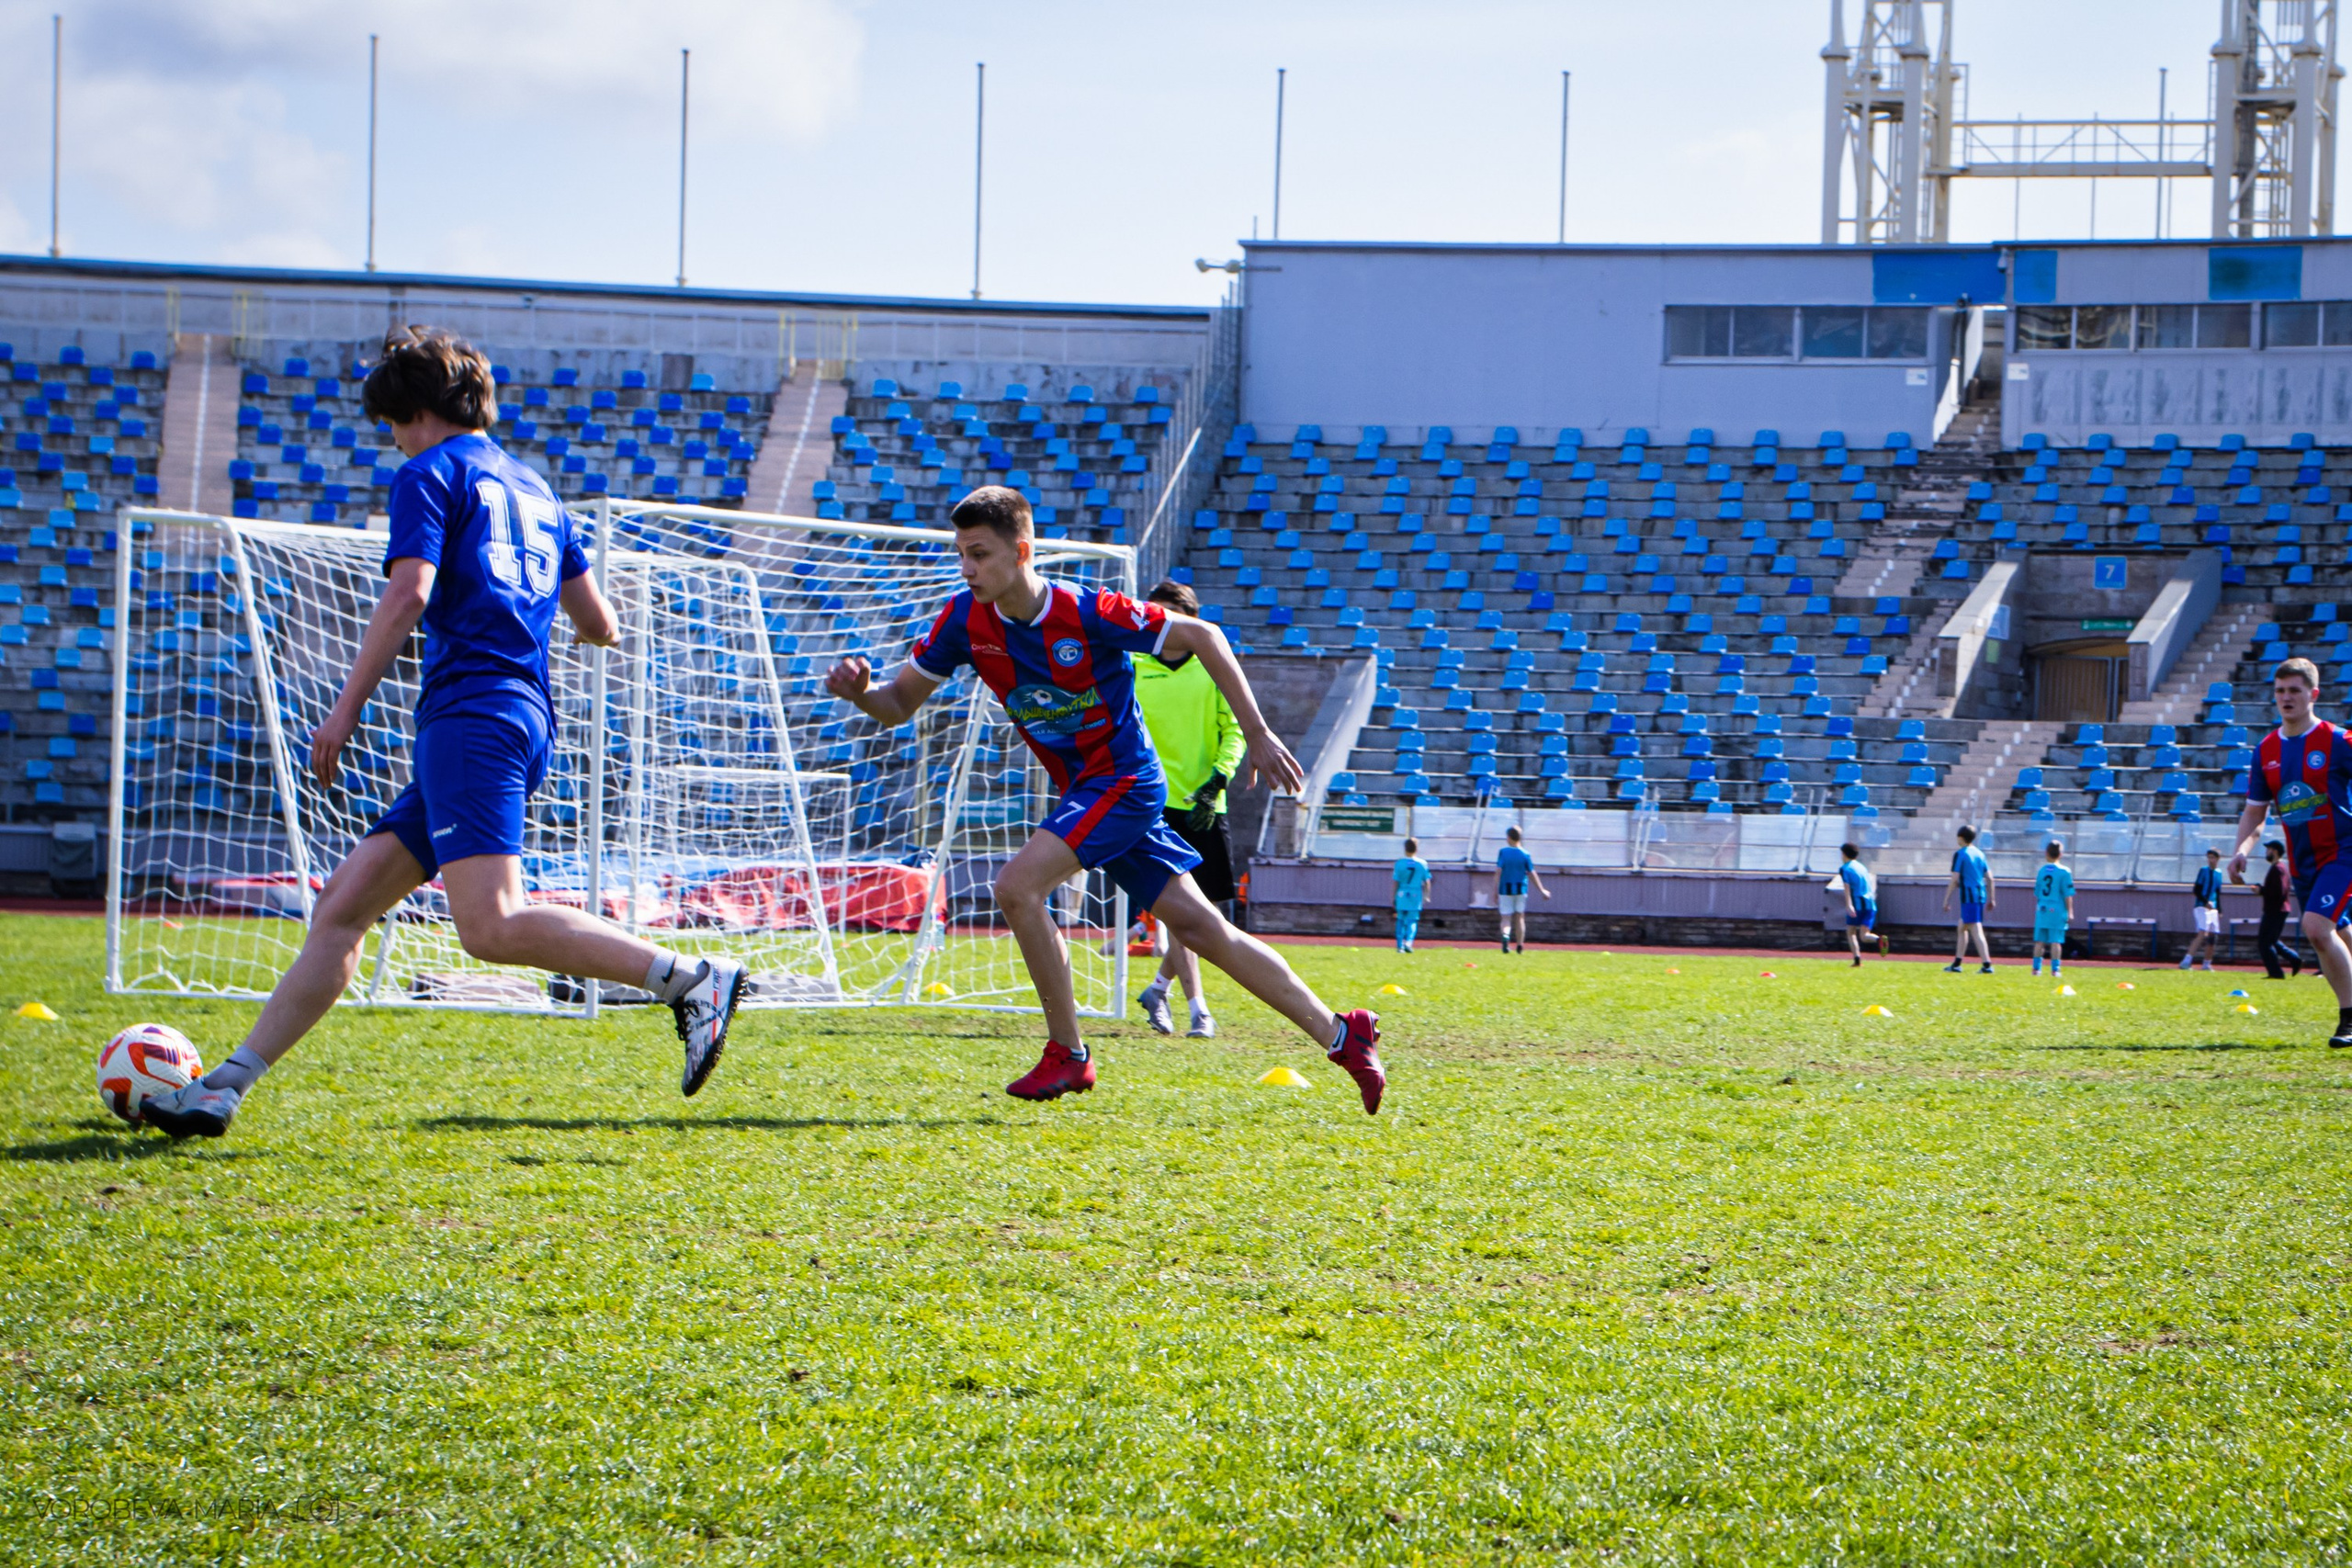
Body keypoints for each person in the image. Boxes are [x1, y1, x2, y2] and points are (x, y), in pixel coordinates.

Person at [141, 328, 748, 1138]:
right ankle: (223, 1087)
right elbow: (602, 620)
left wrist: (346, 705)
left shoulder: (428, 471)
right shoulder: (538, 488)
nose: (391, 438)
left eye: (392, 422)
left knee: (491, 925)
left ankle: (690, 979)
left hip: (472, 716)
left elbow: (409, 595)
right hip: (517, 717)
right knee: (344, 910)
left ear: (417, 411)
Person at [823, 486, 1388, 1110]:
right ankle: (1343, 1032)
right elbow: (898, 704)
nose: (967, 568)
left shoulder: (1089, 611)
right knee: (1203, 929)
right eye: (962, 554)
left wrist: (1256, 734)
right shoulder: (964, 620)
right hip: (1090, 791)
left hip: (1123, 781)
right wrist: (861, 694)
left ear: (1022, 550)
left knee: (1016, 886)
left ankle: (1068, 1054)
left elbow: (1204, 636)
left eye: (979, 554)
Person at [1129, 579, 1247, 1041]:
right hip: (1150, 805)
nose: (1159, 625)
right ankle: (1199, 1009)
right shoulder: (1133, 666)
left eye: (1169, 616)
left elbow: (1234, 729)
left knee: (1203, 915)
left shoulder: (1213, 665)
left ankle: (1159, 988)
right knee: (1185, 913)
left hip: (1204, 806)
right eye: (1152, 615)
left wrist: (1218, 777)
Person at [2229, 657, 2352, 1048]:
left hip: (2344, 851)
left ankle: (2349, 1019)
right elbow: (2255, 810)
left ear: (2313, 694)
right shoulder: (2266, 749)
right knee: (2342, 933)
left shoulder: (2339, 741)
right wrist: (2241, 851)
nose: (2286, 698)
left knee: (2317, 929)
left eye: (2295, 690)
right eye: (2280, 691)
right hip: (2303, 861)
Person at [1941, 824, 1996, 974]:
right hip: (1980, 895)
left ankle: (1987, 965)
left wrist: (1946, 899)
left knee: (1975, 929)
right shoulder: (1980, 854)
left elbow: (1954, 879)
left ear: (1960, 838)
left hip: (1969, 896)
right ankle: (1957, 963)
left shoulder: (1960, 854)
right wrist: (1992, 898)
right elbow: (1990, 878)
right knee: (1962, 927)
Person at [2252, 840, 2302, 980]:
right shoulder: (2282, 867)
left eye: (2268, 849)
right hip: (2279, 909)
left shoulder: (2278, 868)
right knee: (2272, 940)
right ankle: (2294, 959)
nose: (2266, 852)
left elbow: (2278, 891)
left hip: (2275, 910)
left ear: (2274, 851)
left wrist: (2261, 890)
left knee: (2264, 943)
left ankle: (2276, 973)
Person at [1493, 824, 1548, 953]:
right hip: (1521, 889)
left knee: (1506, 917)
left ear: (1508, 837)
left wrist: (1494, 890)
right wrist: (1542, 889)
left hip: (1505, 889)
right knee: (1520, 917)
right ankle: (1519, 945)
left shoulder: (1503, 852)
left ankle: (1506, 937)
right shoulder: (1525, 854)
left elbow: (1498, 872)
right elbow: (1531, 873)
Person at [2031, 840, 2075, 978]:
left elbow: (2037, 892)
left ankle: (2036, 969)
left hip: (2042, 908)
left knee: (2040, 941)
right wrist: (2070, 912)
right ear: (2061, 854)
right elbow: (2068, 895)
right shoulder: (2065, 872)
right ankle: (2055, 970)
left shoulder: (2042, 870)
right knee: (2056, 941)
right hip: (2057, 909)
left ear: (2046, 853)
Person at [1835, 841, 1881, 965]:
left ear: (1844, 854)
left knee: (1851, 932)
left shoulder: (1845, 869)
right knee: (1865, 935)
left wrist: (1849, 905)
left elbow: (1847, 888)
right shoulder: (1862, 867)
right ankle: (1879, 939)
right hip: (1871, 904)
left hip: (1857, 904)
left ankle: (1857, 960)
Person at [2179, 849, 2224, 971]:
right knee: (2202, 933)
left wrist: (2219, 909)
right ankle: (2186, 961)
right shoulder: (2204, 871)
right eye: (2209, 857)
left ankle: (2207, 964)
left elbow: (2218, 892)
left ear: (2218, 859)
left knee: (2213, 936)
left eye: (2213, 857)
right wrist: (2205, 902)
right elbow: (2196, 890)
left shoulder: (2219, 873)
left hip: (2213, 908)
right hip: (2201, 906)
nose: (2211, 860)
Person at [1393, 836, 1431, 953]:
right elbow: (1427, 882)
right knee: (1412, 920)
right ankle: (1408, 943)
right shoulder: (1422, 863)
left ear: (1405, 849)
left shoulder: (1399, 863)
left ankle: (1399, 946)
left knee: (1400, 919)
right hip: (1415, 893)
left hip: (1401, 893)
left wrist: (1394, 897)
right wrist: (1426, 895)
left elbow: (1396, 882)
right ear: (1416, 849)